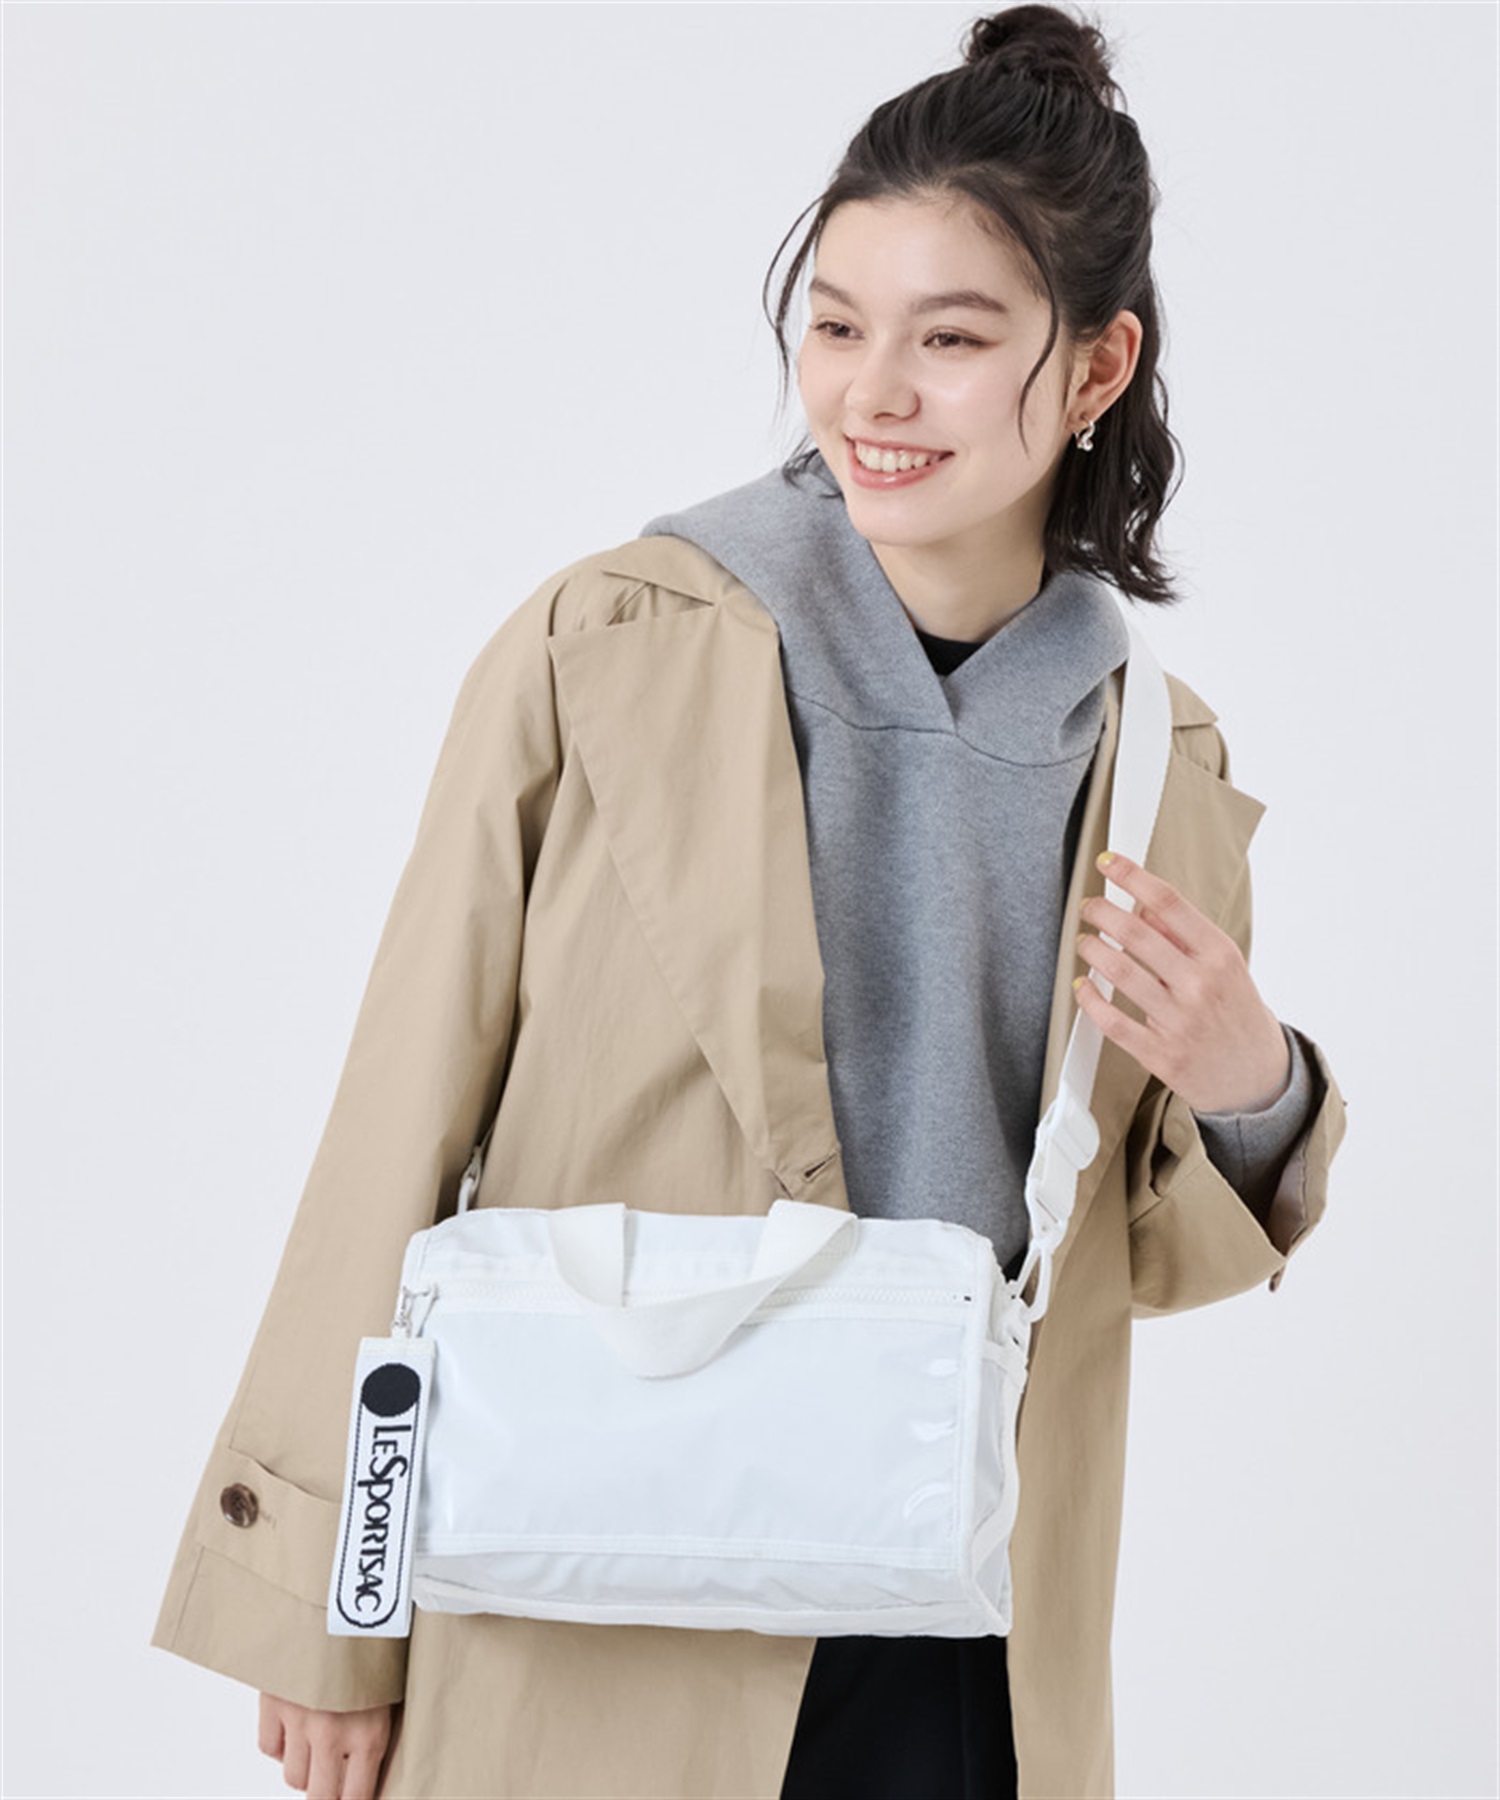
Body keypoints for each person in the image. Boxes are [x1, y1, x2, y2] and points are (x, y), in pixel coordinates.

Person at [152, 8, 1345, 1797]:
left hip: (965, 1631)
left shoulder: (1155, 757)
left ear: (1098, 368)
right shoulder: (612, 642)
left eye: (954, 339)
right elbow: (398, 1129)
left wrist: (1258, 1087)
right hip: (604, 1585)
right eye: (839, 325)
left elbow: (1123, 1263)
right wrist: (332, 1597)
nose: (874, 393)